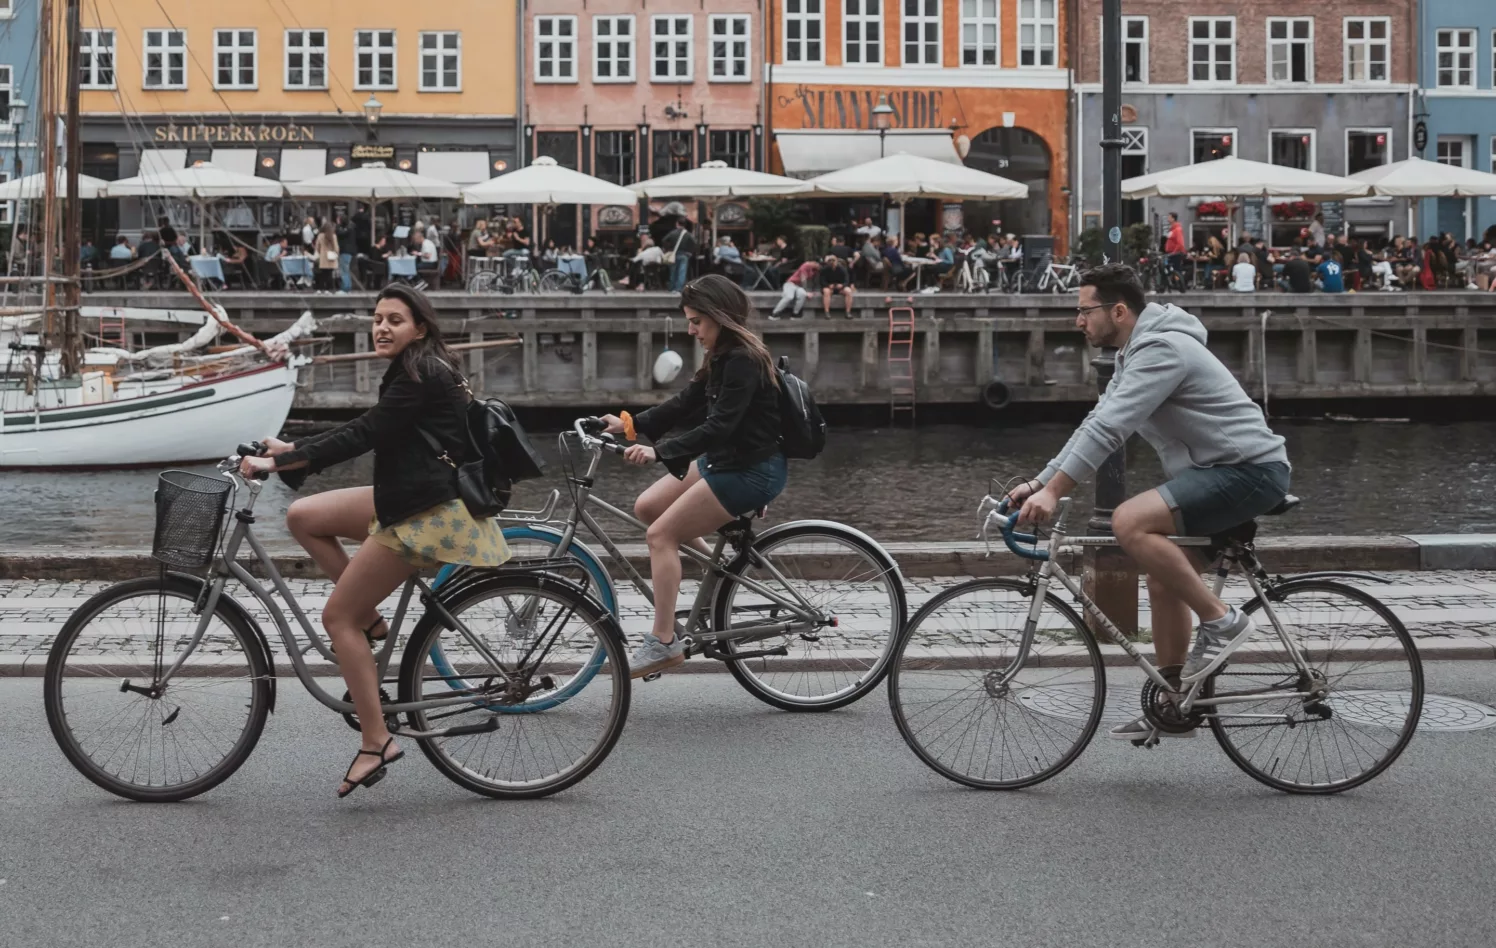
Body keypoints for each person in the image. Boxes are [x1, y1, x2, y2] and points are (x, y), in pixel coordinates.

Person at [238, 284, 510, 796]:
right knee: (304, 515)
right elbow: (372, 429)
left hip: (425, 511)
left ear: (420, 328)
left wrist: (281, 460)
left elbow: (364, 433)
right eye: (377, 318)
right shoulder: (419, 366)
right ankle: (373, 620)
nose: (382, 327)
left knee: (335, 617)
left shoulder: (420, 373)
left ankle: (376, 740)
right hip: (407, 492)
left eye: (395, 320)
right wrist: (294, 448)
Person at [1005, 264, 1290, 741]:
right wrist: (1040, 483)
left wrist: (1058, 491)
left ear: (1118, 311)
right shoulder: (1134, 355)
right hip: (1216, 473)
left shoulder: (1161, 350)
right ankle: (1176, 704)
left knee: (1129, 521)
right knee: (1163, 580)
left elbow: (1110, 429)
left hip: (1249, 471)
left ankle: (1223, 622)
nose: (1078, 320)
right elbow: (1093, 424)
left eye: (1084, 310)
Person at [596, 275, 786, 678]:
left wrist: (659, 451)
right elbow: (685, 403)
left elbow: (718, 426)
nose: (691, 329)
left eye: (697, 321)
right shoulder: (721, 355)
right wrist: (629, 425)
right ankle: (716, 573)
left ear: (721, 317)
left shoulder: (743, 361)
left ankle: (663, 641)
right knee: (648, 506)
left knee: (660, 536)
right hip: (726, 460)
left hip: (751, 470)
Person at [314, 220, 340, 293]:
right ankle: (327, 289)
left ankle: (320, 289)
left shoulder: (320, 236)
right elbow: (336, 247)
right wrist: (336, 253)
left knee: (322, 274)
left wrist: (320, 252)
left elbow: (317, 247)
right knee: (329, 274)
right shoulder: (333, 236)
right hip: (331, 257)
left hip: (323, 257)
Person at [335, 214, 355, 293]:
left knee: (344, 270)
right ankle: (348, 286)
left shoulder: (347, 230)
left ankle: (345, 288)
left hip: (345, 252)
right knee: (346, 269)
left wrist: (337, 224)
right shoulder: (350, 228)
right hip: (348, 252)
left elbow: (339, 233)